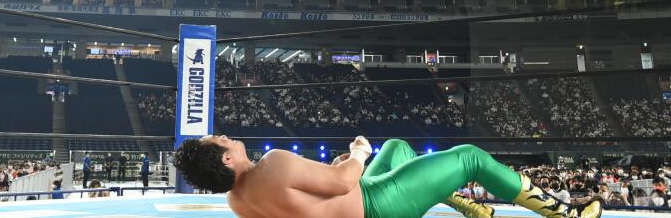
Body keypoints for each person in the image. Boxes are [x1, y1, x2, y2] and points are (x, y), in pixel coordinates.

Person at [174, 135, 602, 218]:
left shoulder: (238, 201)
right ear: (227, 160)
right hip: (378, 206)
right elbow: (342, 183)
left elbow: (312, 202)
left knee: (396, 146)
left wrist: (345, 170)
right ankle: (564, 215)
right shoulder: (273, 163)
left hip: (362, 199)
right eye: (220, 141)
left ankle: (467, 206)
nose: (225, 136)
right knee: (470, 156)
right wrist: (357, 155)